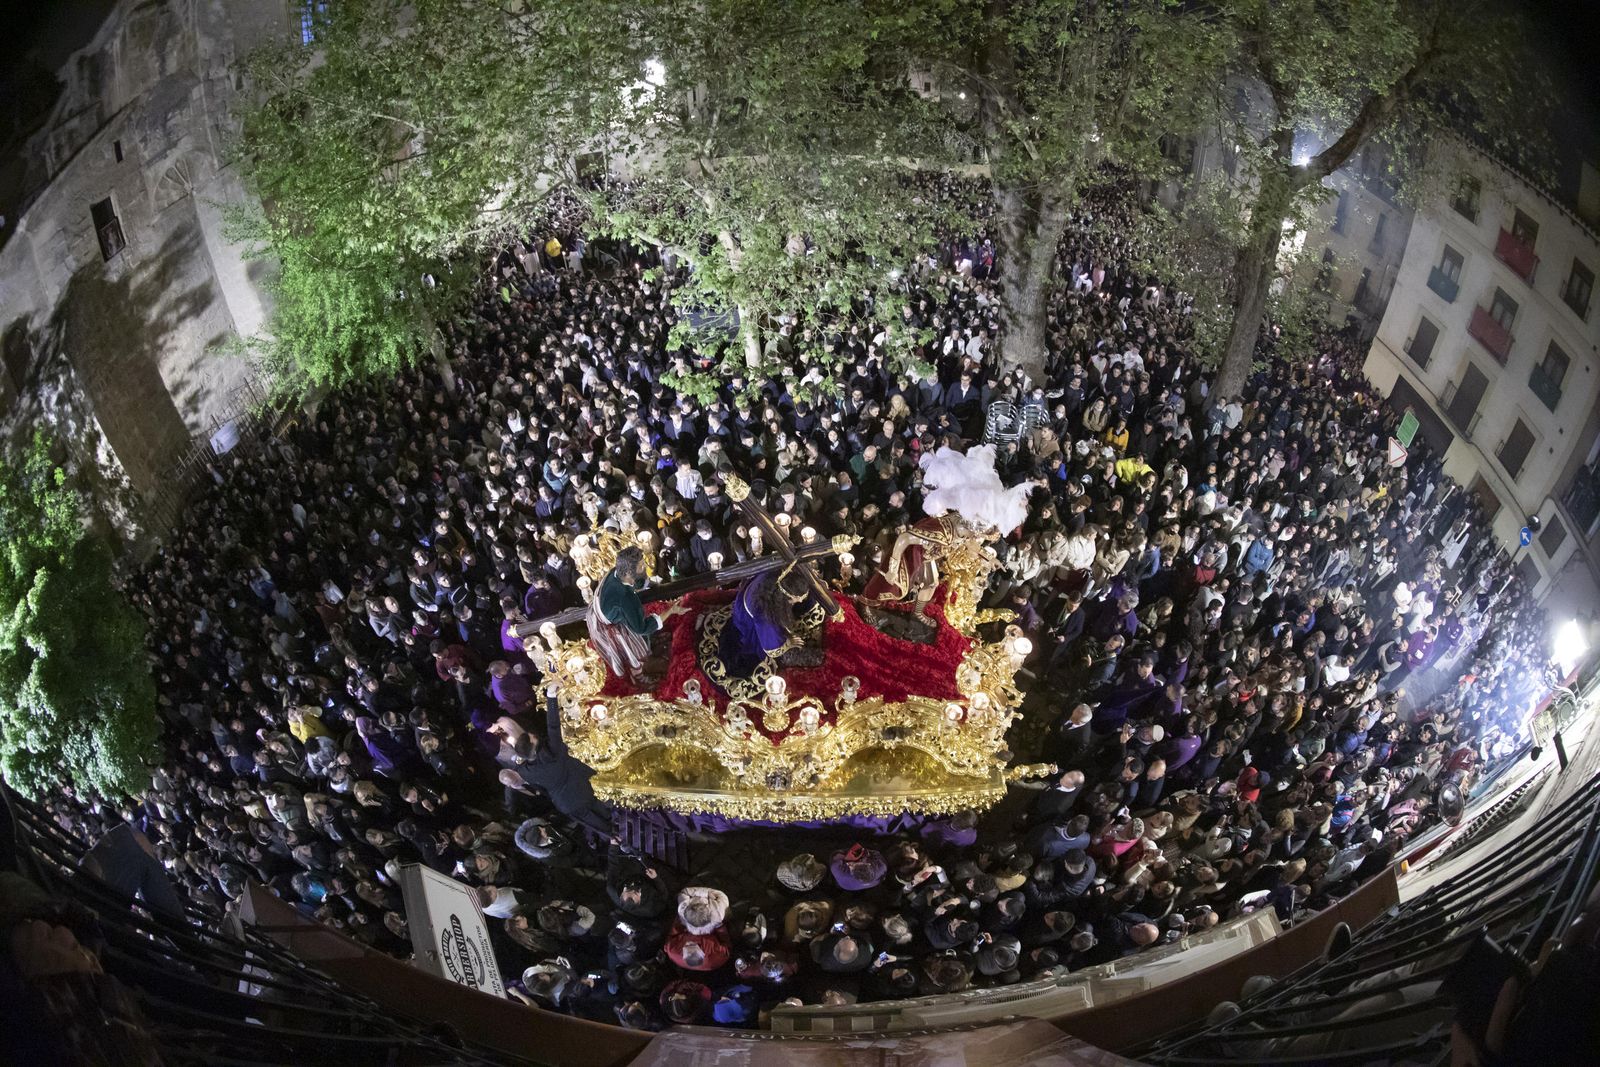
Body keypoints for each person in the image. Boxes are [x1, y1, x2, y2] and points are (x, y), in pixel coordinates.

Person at [588, 546, 685, 683]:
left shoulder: (616, 572)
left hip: (604, 608)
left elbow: (633, 582)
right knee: (634, 649)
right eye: (641, 565)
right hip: (611, 625)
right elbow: (641, 628)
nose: (645, 566)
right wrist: (670, 611)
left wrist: (649, 584)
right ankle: (638, 676)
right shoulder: (625, 599)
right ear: (628, 571)